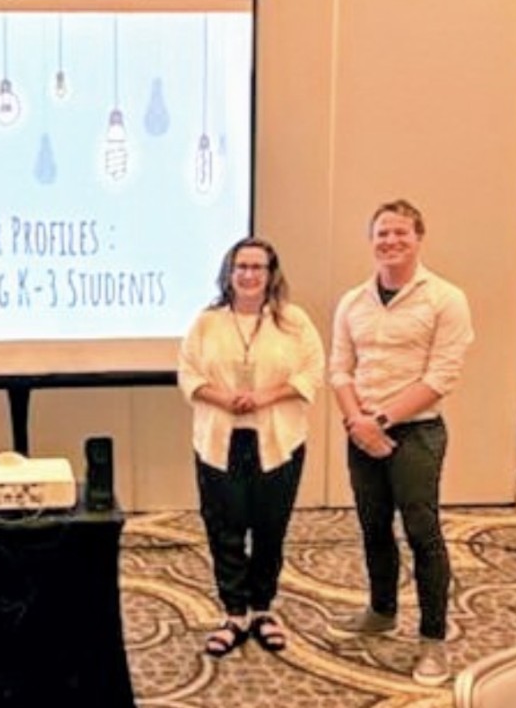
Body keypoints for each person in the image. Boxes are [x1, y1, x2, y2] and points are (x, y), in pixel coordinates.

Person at [328, 199, 473, 686]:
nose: (390, 241)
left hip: (417, 433)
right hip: (360, 430)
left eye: (400, 233)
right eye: (382, 234)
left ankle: (432, 641)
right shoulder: (353, 302)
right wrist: (358, 422)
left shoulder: (446, 299)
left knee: (422, 533)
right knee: (373, 527)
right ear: (371, 241)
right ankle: (381, 611)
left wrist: (381, 420)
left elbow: (441, 377)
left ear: (418, 238)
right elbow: (339, 369)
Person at [178, 237, 324, 657]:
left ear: (271, 274)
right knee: (224, 528)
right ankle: (235, 614)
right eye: (241, 266)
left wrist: (265, 396)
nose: (248, 274)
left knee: (270, 527)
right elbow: (188, 374)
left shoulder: (294, 321)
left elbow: (312, 372)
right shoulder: (207, 323)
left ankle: (262, 609)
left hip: (277, 441)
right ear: (229, 272)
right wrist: (223, 398)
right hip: (219, 441)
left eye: (257, 267)